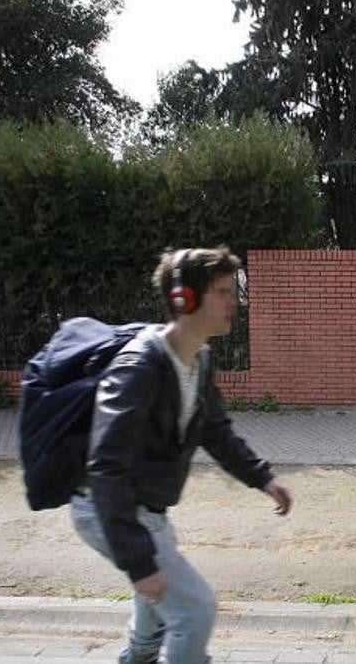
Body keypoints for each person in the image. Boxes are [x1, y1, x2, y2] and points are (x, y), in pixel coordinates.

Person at [70, 246, 293, 664]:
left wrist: (262, 477)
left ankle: (137, 657)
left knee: (156, 604)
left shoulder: (198, 359)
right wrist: (139, 562)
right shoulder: (138, 367)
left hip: (147, 510)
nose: (234, 302)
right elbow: (104, 467)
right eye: (224, 292)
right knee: (194, 609)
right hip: (104, 508)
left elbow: (214, 429)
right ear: (183, 299)